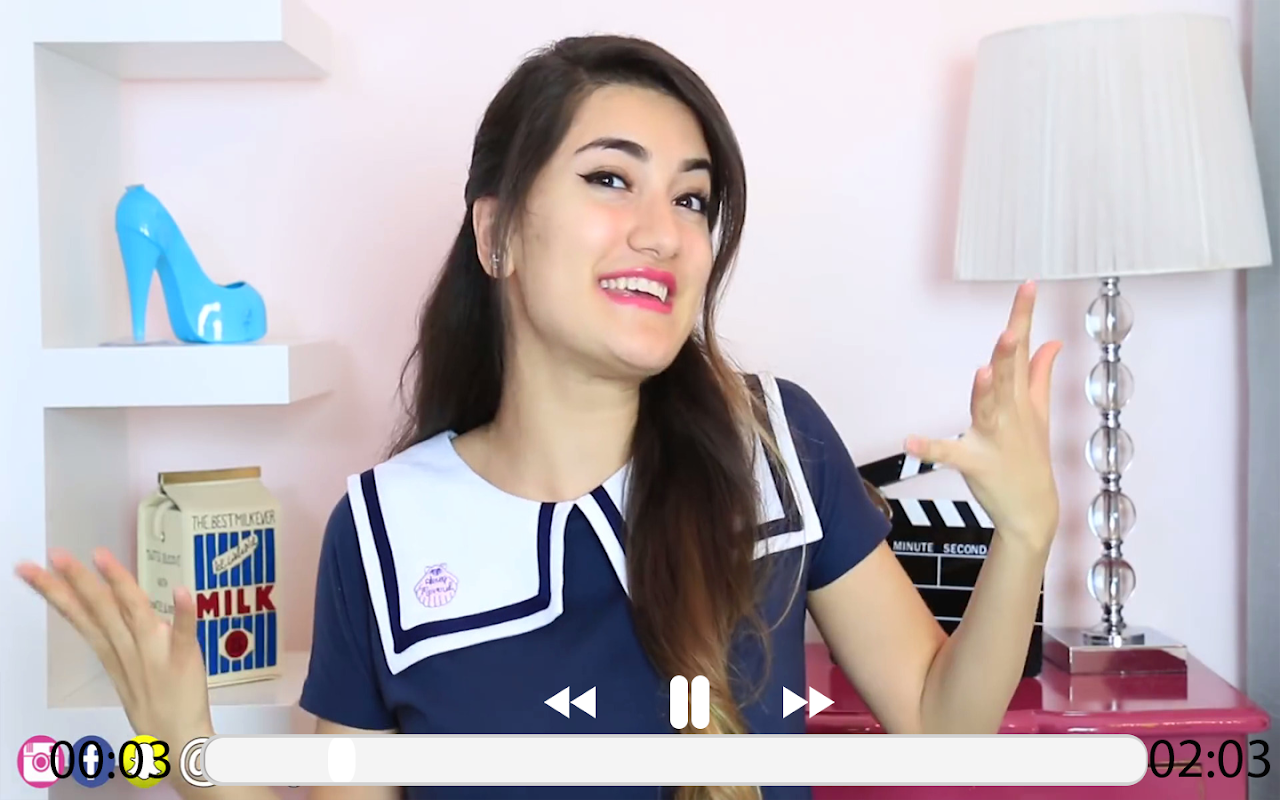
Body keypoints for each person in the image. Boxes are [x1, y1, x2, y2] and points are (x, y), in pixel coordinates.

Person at [14, 33, 1061, 800]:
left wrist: (1022, 533)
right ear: (498, 232)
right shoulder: (383, 531)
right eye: (610, 179)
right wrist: (183, 752)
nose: (663, 232)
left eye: (692, 199)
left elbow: (941, 724)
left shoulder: (773, 443)